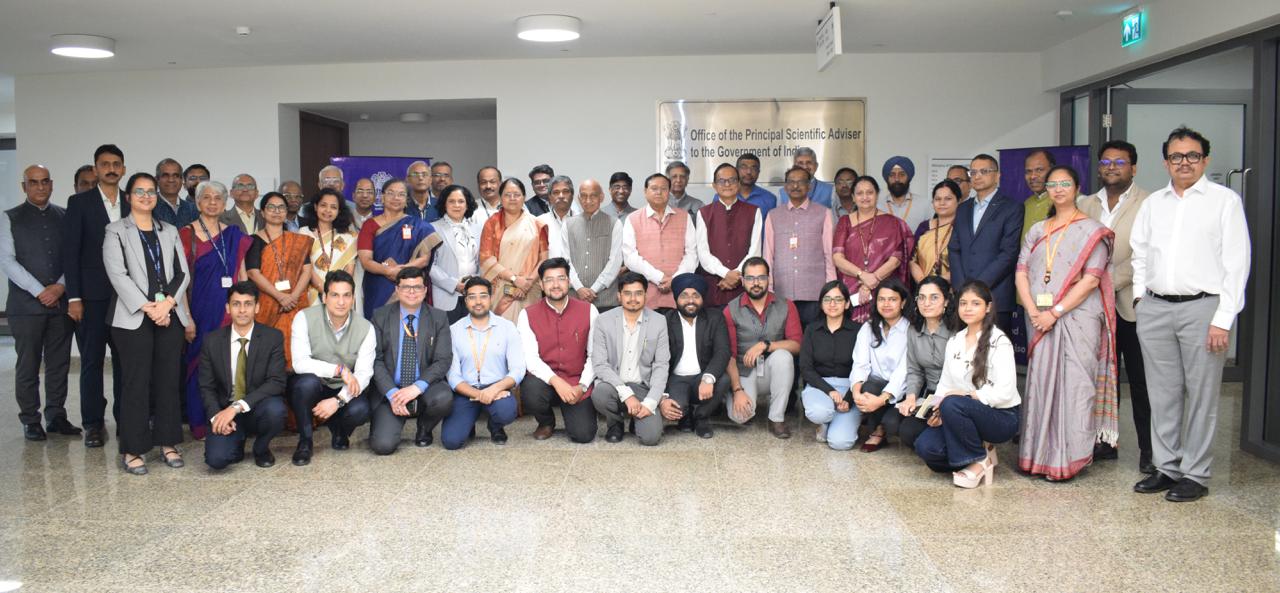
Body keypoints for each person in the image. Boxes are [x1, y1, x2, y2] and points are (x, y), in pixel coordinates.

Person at [1132, 127, 1251, 502]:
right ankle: (1166, 467)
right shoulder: (1154, 204)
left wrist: (1223, 319)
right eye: (1176, 156)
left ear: (1205, 159)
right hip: (1155, 308)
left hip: (1203, 309)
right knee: (1162, 393)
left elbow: (1237, 264)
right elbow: (1140, 253)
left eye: (1192, 155)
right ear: (1165, 162)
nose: (1184, 162)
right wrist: (1139, 299)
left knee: (1201, 395)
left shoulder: (1224, 202)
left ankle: (1195, 473)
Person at [1015, 165, 1118, 482]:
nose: (1058, 189)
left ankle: (1069, 459)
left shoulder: (1093, 231)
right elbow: (1021, 272)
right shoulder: (1037, 230)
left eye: (1065, 183)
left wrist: (1055, 312)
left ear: (1077, 188)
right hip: (1038, 319)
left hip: (1077, 318)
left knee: (1075, 386)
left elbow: (1091, 281)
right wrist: (1033, 310)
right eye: (1053, 184)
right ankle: (1037, 458)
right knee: (1040, 383)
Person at [103, 172, 192, 475]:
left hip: (168, 314)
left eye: (151, 191)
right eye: (139, 191)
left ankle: (168, 443)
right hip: (132, 318)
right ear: (128, 197)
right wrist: (148, 307)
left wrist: (167, 304)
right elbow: (117, 275)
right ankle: (133, 449)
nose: (146, 196)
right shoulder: (116, 231)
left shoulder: (169, 230)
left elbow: (182, 273)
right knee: (135, 383)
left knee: (168, 381)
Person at [1077, 139, 1153, 472]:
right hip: (1092, 308)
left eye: (1119, 162)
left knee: (1140, 380)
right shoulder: (1085, 203)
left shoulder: (1149, 203)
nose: (1112, 168)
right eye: (1106, 162)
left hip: (1131, 306)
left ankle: (1150, 451)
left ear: (1133, 167)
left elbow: (1145, 255)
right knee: (1100, 378)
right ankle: (1105, 442)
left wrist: (1102, 280)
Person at [913, 281, 1021, 488]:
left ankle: (979, 460)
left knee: (953, 402)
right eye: (963, 303)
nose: (968, 309)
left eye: (975, 303)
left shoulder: (999, 341)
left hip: (1001, 417)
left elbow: (1005, 392)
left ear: (988, 307)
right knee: (926, 448)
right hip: (961, 412)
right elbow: (945, 384)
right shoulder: (955, 341)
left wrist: (967, 396)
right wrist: (937, 410)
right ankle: (979, 453)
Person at [2, 165, 78, 441]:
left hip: (60, 303)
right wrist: (39, 291)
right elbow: (7, 260)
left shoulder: (66, 216)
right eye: (33, 182)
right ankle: (31, 419)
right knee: (28, 364)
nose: (40, 187)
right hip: (25, 307)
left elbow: (75, 256)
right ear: (24, 187)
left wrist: (60, 286)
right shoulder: (9, 217)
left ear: (52, 184)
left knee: (59, 363)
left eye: (45, 182)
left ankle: (56, 415)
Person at [64, 144, 129, 448]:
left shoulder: (132, 201)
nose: (111, 169)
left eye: (116, 164)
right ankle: (92, 423)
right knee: (91, 361)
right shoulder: (80, 203)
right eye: (105, 164)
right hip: (91, 297)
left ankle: (125, 419)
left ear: (123, 169)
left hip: (128, 297)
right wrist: (73, 297)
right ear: (96, 169)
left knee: (126, 361)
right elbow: (71, 253)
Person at [178, 180, 252, 439]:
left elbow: (241, 274)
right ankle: (201, 422)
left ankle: (229, 419)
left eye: (218, 198)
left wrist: (246, 308)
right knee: (200, 366)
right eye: (206, 198)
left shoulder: (233, 234)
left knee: (230, 365)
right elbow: (180, 281)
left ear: (225, 203)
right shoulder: (185, 234)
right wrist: (187, 318)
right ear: (197, 203)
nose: (212, 202)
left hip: (231, 310)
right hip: (199, 312)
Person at [288, 270, 374, 466]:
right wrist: (339, 370)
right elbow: (299, 363)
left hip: (341, 388)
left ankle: (340, 431)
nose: (341, 302)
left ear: (353, 298)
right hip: (314, 383)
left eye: (346, 295)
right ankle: (305, 441)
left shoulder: (366, 328)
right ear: (325, 297)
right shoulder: (304, 318)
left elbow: (364, 374)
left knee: (361, 409)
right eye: (335, 295)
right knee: (305, 384)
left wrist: (338, 400)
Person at [200, 282, 288, 469]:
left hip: (257, 407)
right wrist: (217, 417)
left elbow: (277, 382)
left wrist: (237, 407)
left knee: (276, 410)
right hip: (226, 411)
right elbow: (206, 387)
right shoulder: (212, 341)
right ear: (227, 308)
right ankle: (236, 443)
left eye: (248, 304)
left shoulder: (272, 337)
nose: (242, 310)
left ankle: (261, 447)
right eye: (236, 304)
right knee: (216, 460)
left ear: (257, 307)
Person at [369, 267, 454, 454]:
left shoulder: (438, 318)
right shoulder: (380, 316)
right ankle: (389, 418)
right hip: (391, 390)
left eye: (417, 287)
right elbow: (376, 360)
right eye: (406, 287)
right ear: (397, 289)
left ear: (425, 290)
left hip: (424, 387)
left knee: (443, 397)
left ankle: (424, 428)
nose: (412, 292)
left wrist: (417, 387)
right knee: (383, 446)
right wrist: (392, 393)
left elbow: (443, 360)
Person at [518, 258, 600, 443]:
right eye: (549, 280)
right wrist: (556, 381)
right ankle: (546, 421)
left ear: (569, 282)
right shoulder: (527, 315)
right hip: (545, 381)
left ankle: (573, 412)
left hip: (576, 380)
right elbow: (530, 358)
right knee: (530, 390)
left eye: (561, 278)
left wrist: (582, 386)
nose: (555, 285)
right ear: (541, 284)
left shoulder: (589, 310)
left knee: (583, 435)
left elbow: (595, 355)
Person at [723, 257, 803, 438]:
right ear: (743, 281)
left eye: (761, 277)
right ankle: (728, 396)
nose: (756, 283)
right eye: (750, 278)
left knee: (783, 356)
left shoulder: (786, 305)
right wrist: (737, 390)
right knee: (741, 416)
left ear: (769, 279)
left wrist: (766, 345)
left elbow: (797, 344)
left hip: (771, 370)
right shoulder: (731, 309)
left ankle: (777, 418)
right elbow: (729, 355)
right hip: (743, 372)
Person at [443, 277, 525, 449]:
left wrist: (495, 389)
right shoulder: (454, 330)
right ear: (465, 300)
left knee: (506, 411)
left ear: (491, 297)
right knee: (451, 441)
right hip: (466, 390)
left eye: (483, 296)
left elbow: (518, 369)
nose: (478, 302)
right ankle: (468, 423)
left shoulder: (507, 327)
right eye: (472, 297)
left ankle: (495, 425)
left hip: (497, 389)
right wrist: (479, 394)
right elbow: (453, 375)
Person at [591, 272, 671, 445]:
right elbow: (600, 364)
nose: (633, 299)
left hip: (643, 387)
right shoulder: (603, 321)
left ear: (645, 295)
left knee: (651, 438)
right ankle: (615, 423)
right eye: (627, 293)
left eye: (638, 293)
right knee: (600, 394)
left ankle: (637, 418)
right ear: (619, 296)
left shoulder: (659, 321)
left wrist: (651, 402)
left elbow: (661, 365)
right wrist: (627, 395)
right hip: (614, 384)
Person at [949, 154, 1024, 335]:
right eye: (973, 172)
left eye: (984, 171)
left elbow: (1009, 253)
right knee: (966, 347)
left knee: (994, 349)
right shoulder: (963, 208)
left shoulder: (1012, 207)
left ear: (997, 176)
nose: (977, 176)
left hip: (995, 295)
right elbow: (954, 248)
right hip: (964, 296)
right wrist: (962, 287)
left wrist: (978, 288)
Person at [246, 192, 314, 370]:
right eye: (271, 207)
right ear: (262, 212)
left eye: (281, 207)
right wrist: (280, 296)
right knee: (267, 353)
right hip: (267, 304)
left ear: (286, 212)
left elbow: (307, 270)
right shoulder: (253, 240)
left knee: (296, 350)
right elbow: (253, 273)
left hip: (295, 303)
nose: (276, 211)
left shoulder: (297, 240)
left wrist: (293, 296)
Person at [832, 175, 914, 323]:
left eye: (869, 192)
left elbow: (896, 259)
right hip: (851, 290)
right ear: (853, 197)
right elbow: (838, 258)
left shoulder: (892, 222)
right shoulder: (844, 222)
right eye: (860, 193)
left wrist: (873, 279)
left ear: (877, 195)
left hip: (883, 289)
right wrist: (862, 275)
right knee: (852, 332)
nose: (865, 197)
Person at [357, 177, 441, 319]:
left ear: (407, 200)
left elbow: (424, 260)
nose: (396, 198)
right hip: (377, 286)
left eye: (401, 194)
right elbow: (365, 261)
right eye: (391, 193)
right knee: (378, 324)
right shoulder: (369, 225)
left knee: (408, 325)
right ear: (382, 197)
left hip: (409, 286)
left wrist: (401, 272)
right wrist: (388, 271)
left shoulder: (418, 226)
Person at [764, 165, 836, 328]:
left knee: (813, 337)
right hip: (782, 293)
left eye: (801, 182)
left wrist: (830, 288)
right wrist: (769, 288)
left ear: (809, 186)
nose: (795, 186)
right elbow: (768, 255)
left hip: (814, 292)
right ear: (785, 187)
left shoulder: (823, 213)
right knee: (786, 337)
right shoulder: (773, 215)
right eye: (791, 182)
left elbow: (829, 253)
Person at [662, 273, 730, 439]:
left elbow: (723, 351)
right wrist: (662, 396)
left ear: (702, 298)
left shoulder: (715, 317)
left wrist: (708, 378)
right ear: (676, 298)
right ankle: (686, 414)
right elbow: (657, 360)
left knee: (723, 379)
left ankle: (701, 416)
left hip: (701, 377)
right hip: (676, 380)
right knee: (677, 410)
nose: (690, 300)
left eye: (695, 295)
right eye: (684, 296)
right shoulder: (665, 320)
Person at [897, 276, 961, 449]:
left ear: (946, 301)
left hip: (955, 396)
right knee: (907, 432)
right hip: (930, 395)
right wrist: (911, 397)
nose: (926, 303)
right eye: (922, 297)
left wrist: (945, 405)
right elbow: (915, 370)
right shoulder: (913, 330)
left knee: (937, 438)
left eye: (934, 297)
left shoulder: (958, 330)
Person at [849, 278, 912, 452]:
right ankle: (876, 430)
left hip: (902, 390)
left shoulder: (911, 330)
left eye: (892, 299)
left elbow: (904, 372)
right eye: (882, 299)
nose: (886, 304)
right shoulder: (868, 327)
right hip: (875, 386)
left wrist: (881, 400)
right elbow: (860, 363)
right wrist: (856, 392)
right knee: (866, 387)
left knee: (892, 424)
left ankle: (883, 426)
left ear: (903, 302)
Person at [621, 173, 698, 311]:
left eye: (663, 189)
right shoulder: (632, 219)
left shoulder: (684, 217)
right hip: (646, 294)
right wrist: (659, 277)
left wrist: (675, 279)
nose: (659, 192)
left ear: (669, 192)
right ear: (645, 191)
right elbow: (630, 257)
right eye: (654, 188)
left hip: (679, 292)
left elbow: (692, 253)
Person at [799, 281, 861, 450]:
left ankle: (835, 423)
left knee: (840, 443)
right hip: (819, 386)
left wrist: (849, 399)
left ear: (847, 304)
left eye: (838, 299)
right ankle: (825, 421)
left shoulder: (859, 331)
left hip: (850, 388)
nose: (832, 304)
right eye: (827, 299)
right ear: (821, 304)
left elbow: (863, 368)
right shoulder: (812, 330)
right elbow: (806, 368)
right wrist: (830, 391)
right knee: (820, 412)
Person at [479, 178, 550, 321]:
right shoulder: (492, 223)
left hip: (530, 288)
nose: (512, 198)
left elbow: (543, 258)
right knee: (503, 329)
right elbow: (486, 259)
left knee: (529, 328)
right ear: (501, 197)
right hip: (502, 287)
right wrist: (514, 279)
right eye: (507, 194)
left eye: (517, 194)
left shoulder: (536, 224)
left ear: (524, 197)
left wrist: (527, 283)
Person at [695, 163, 762, 308]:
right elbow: (703, 253)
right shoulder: (704, 213)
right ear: (714, 185)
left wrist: (736, 275)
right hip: (715, 286)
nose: (727, 184)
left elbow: (755, 251)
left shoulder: (753, 211)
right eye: (722, 181)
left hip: (744, 285)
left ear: (738, 184)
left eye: (732, 180)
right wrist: (726, 273)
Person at [564, 179, 623, 311]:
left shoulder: (614, 223)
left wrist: (594, 289)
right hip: (575, 297)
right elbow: (565, 260)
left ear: (601, 197)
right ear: (578, 198)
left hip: (606, 300)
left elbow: (615, 261)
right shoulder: (568, 224)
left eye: (593, 196)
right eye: (584, 196)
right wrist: (579, 288)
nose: (588, 200)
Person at [430, 185, 484, 322]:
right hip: (446, 295)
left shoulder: (477, 228)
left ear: (467, 204)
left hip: (473, 293)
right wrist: (454, 284)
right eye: (451, 201)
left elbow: (481, 260)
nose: (456, 205)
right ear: (444, 204)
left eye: (461, 201)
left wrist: (475, 282)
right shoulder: (433, 228)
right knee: (448, 334)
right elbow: (430, 264)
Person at [299, 188, 359, 306]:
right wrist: (325, 290)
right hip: (312, 294)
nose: (328, 210)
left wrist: (337, 292)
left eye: (333, 207)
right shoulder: (304, 232)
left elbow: (349, 269)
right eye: (323, 205)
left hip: (341, 296)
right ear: (315, 207)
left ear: (339, 211)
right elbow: (306, 267)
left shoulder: (348, 236)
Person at [910, 180, 961, 283]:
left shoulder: (964, 228)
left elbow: (967, 263)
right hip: (923, 287)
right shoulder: (924, 227)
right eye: (937, 199)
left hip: (954, 288)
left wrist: (938, 283)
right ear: (933, 202)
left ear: (959, 201)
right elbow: (912, 260)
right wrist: (924, 283)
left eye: (948, 199)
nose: (942, 203)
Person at [882, 156, 934, 231]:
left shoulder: (925, 205)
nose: (897, 179)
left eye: (902, 174)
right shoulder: (877, 206)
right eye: (892, 175)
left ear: (909, 177)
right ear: (887, 179)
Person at [1020, 150, 1056, 243]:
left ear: (1053, 170)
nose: (1032, 176)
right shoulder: (1027, 204)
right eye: (1028, 171)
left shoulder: (1067, 201)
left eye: (1039, 170)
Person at [538, 175, 577, 258]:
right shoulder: (540, 222)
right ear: (549, 197)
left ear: (572, 195)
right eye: (556, 192)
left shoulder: (583, 222)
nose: (561, 196)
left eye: (565, 191)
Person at [153, 158, 198, 228]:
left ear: (182, 180)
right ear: (156, 180)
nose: (171, 180)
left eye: (176, 176)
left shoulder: (193, 209)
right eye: (165, 175)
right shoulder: (149, 207)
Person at [736, 153, 777, 219]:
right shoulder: (722, 196)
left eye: (753, 168)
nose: (749, 172)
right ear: (736, 171)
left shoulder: (769, 199)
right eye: (744, 167)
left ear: (758, 172)